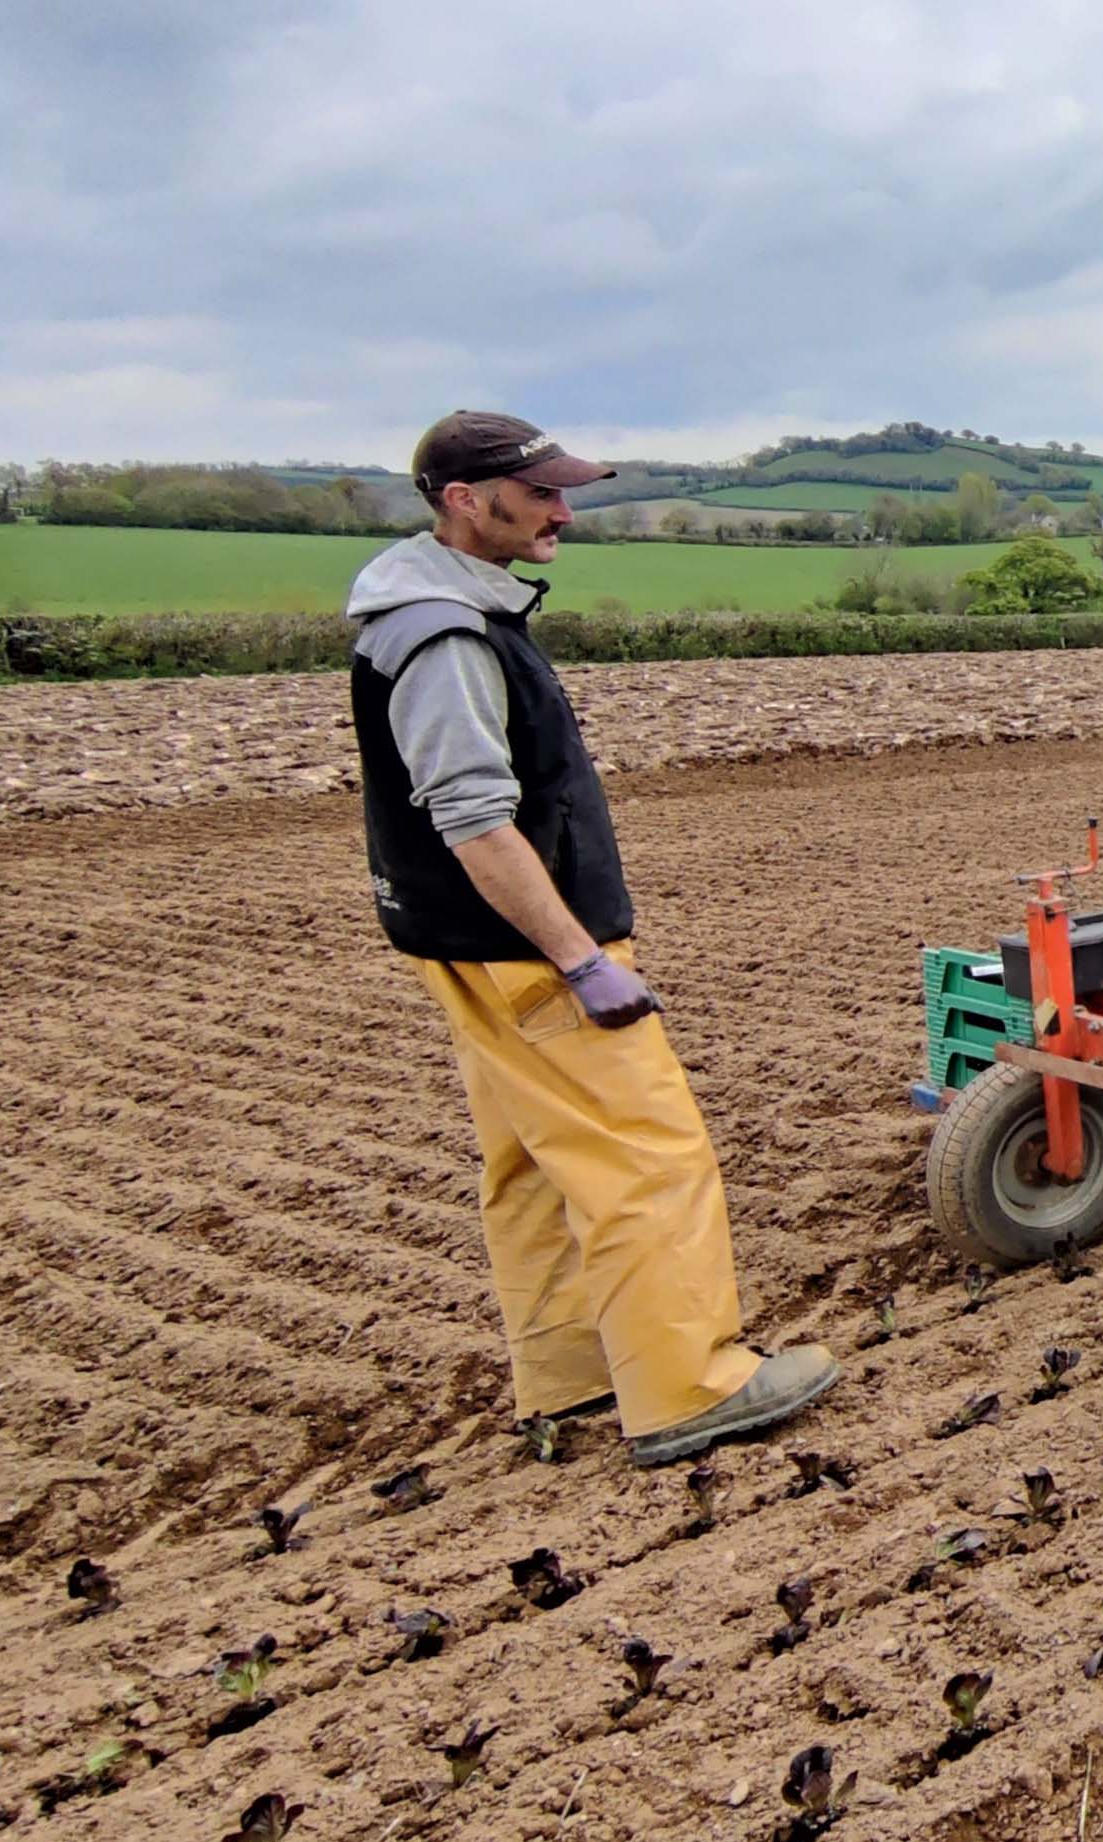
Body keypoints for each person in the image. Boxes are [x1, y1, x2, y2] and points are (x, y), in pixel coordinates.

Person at [348, 410, 836, 1468]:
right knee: (647, 1154)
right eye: (542, 494)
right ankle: (687, 1386)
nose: (564, 510)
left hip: (468, 946)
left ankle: (575, 1373)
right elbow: (474, 819)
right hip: (524, 949)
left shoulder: (437, 611)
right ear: (464, 503)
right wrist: (580, 959)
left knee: (534, 1162)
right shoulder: (444, 635)